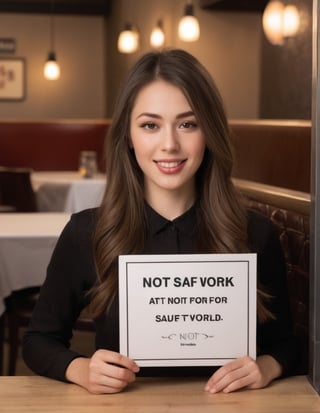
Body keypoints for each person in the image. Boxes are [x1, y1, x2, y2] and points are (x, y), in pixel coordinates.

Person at [22, 48, 299, 395]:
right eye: (150, 125)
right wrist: (80, 369)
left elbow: (288, 344)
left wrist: (267, 366)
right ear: (129, 136)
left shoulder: (255, 233)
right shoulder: (87, 232)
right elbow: (38, 341)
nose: (169, 144)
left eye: (188, 124)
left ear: (209, 133)